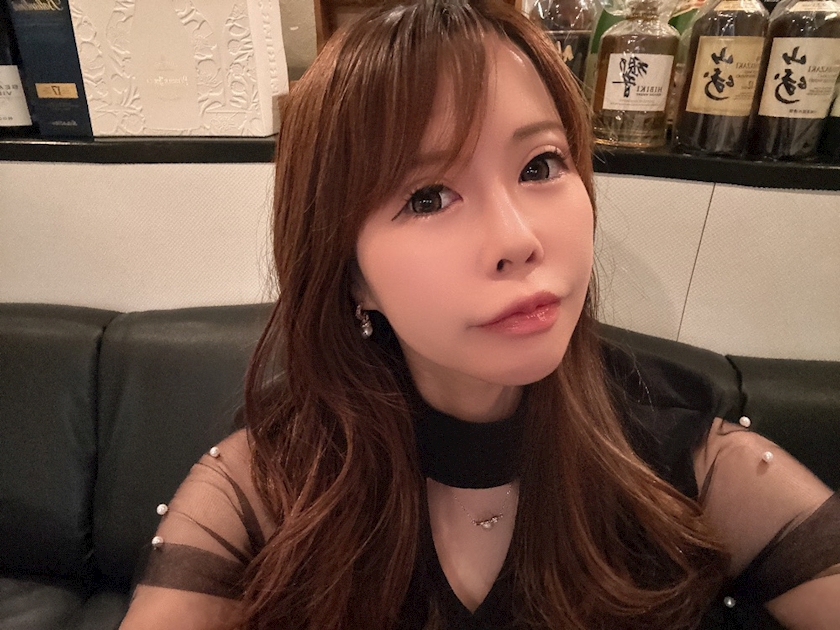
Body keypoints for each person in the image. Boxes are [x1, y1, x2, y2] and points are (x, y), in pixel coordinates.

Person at [119, 0, 840, 628]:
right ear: (351, 274)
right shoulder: (266, 488)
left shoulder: (691, 467)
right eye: (428, 197)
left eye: (540, 166)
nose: (516, 239)